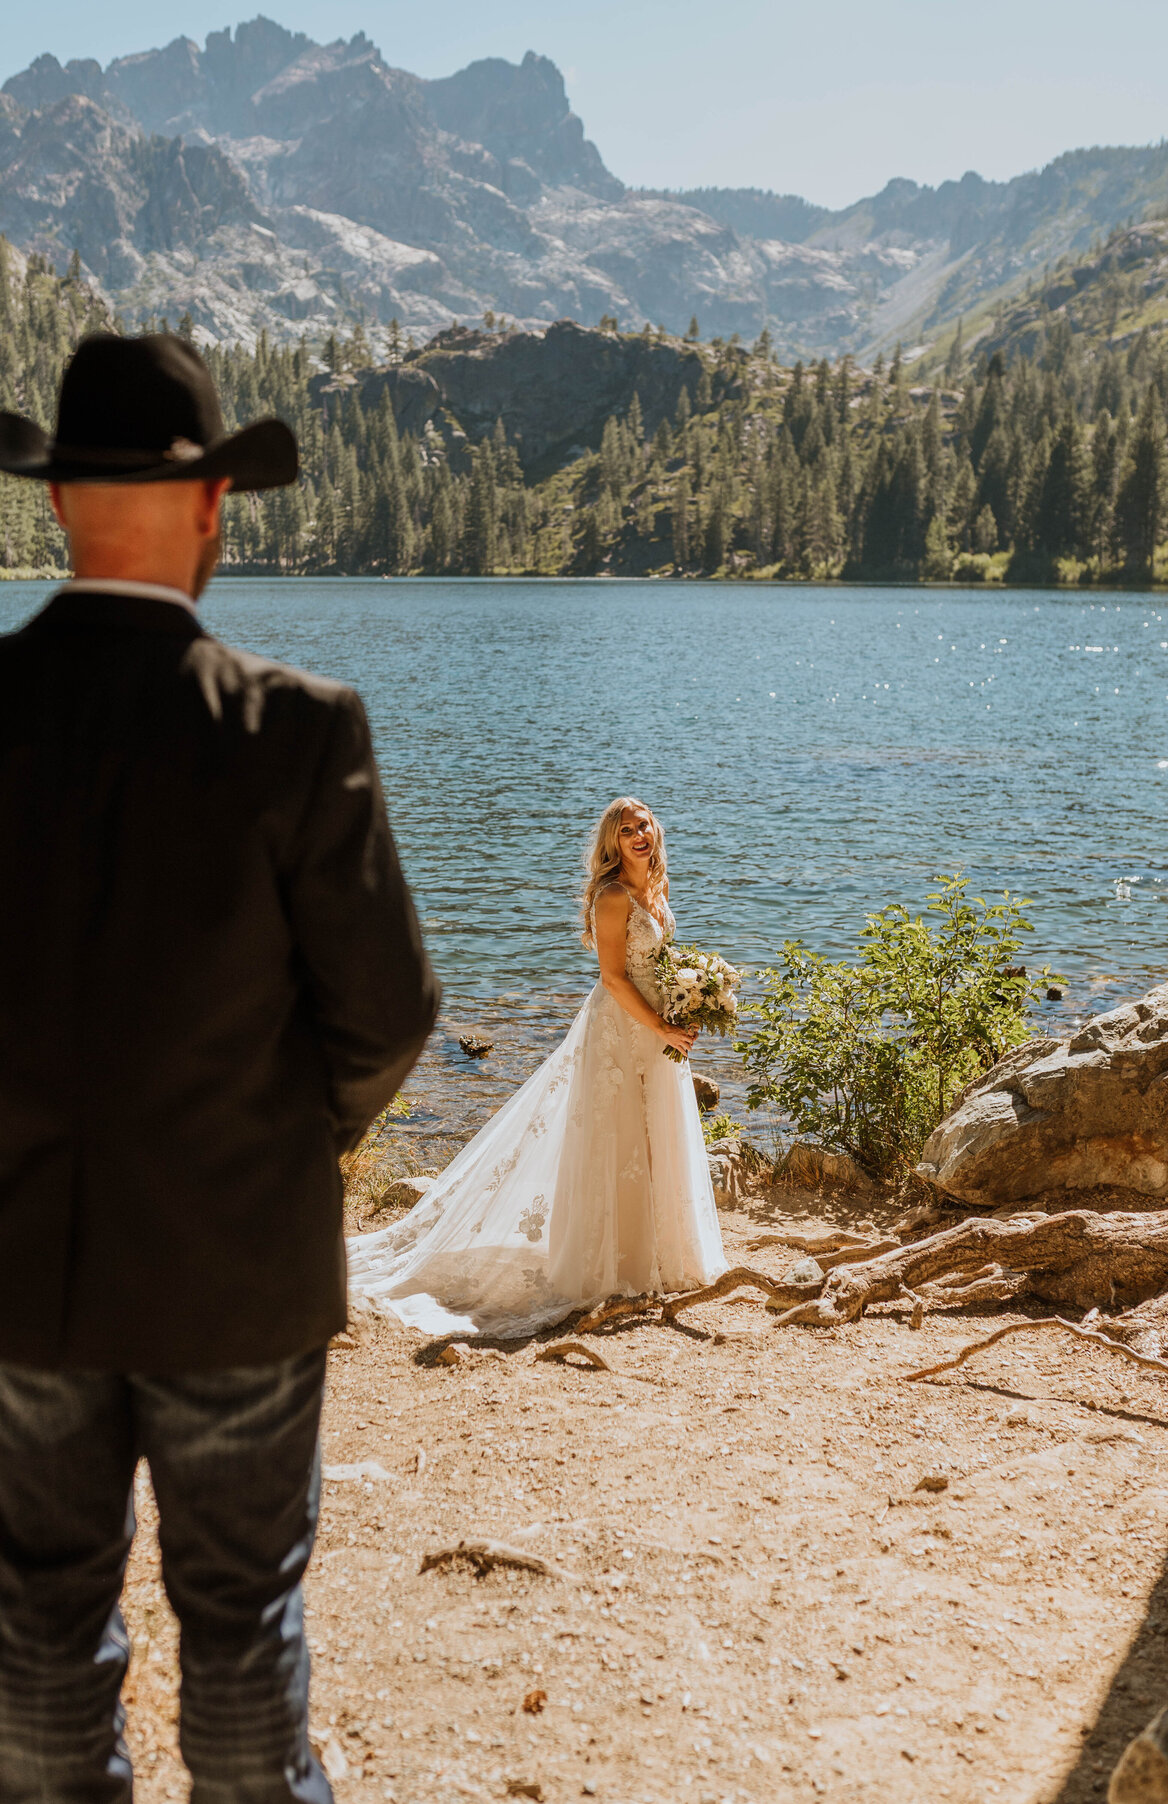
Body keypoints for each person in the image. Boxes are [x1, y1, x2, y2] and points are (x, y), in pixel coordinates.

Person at [0, 333, 440, 1804]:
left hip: (13, 1272)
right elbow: (385, 1016)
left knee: (39, 1625)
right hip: (236, 1269)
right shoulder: (298, 734)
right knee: (243, 1622)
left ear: (57, 503)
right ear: (210, 509)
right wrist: (277, 1145)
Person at [348, 796, 727, 1337]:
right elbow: (615, 979)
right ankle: (610, 1266)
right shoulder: (614, 896)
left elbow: (660, 966)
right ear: (613, 843)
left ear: (654, 830)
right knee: (615, 1138)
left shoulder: (657, 889)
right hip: (622, 1030)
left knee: (655, 1136)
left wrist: (691, 1001)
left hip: (658, 1032)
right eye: (626, 831)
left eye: (643, 825)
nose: (639, 836)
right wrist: (661, 1026)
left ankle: (660, 1257)